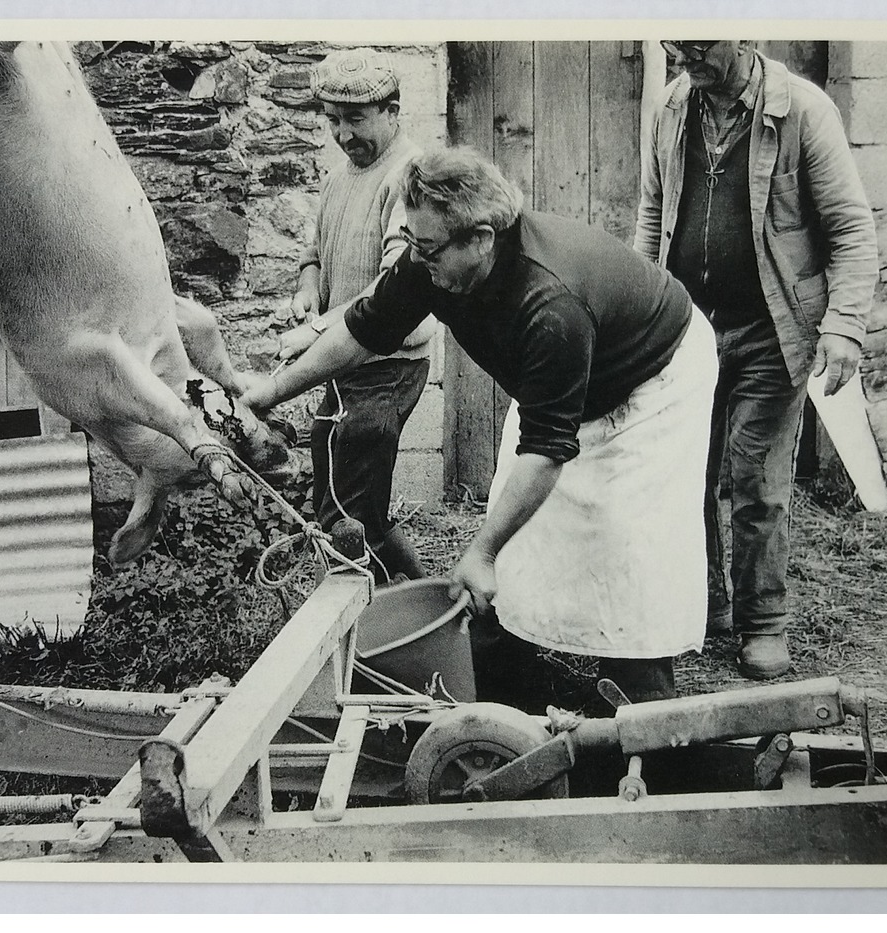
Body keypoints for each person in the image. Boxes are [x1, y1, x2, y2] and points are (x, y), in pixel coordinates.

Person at [244, 146, 718, 705]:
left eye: (428, 249)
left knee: (626, 543)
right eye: (413, 244)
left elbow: (544, 452)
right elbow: (362, 330)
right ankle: (514, 690)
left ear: (482, 238)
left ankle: (644, 703)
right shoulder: (436, 259)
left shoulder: (550, 307)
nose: (416, 261)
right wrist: (271, 392)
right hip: (569, 383)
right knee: (519, 533)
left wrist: (483, 552)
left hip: (652, 380)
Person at [635, 40, 879, 679]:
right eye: (674, 46)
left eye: (698, 46)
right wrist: (640, 308)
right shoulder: (670, 108)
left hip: (771, 331)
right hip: (687, 331)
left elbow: (852, 230)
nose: (685, 58)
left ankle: (762, 622)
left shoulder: (804, 112)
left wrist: (844, 328)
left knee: (756, 481)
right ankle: (707, 603)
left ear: (741, 35)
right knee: (686, 474)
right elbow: (653, 212)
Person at [270, 48, 437, 584]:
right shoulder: (338, 177)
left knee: (348, 512)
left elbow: (394, 288)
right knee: (342, 495)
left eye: (357, 120)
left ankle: (363, 632)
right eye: (333, 121)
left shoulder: (410, 177)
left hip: (387, 365)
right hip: (346, 363)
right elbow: (313, 255)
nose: (343, 135)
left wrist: (314, 331)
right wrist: (307, 291)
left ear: (392, 112)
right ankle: (429, 598)